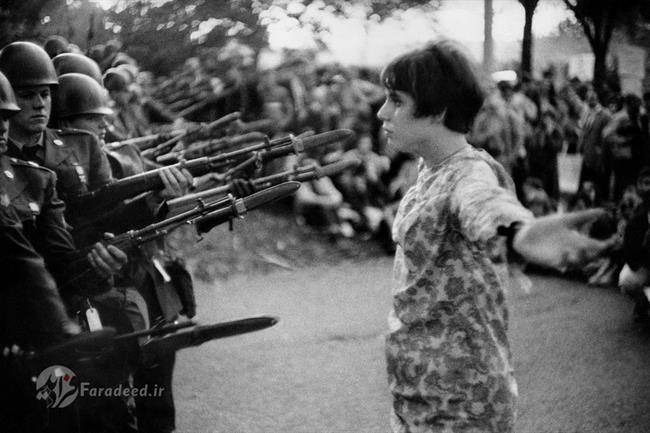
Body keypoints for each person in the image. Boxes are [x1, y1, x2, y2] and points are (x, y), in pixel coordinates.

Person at [377, 41, 611, 432]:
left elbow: (484, 205)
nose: (383, 112)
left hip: (460, 403)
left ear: (437, 111)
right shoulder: (431, 168)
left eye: (396, 100)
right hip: (417, 394)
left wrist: (520, 231)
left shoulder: (468, 174)